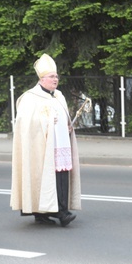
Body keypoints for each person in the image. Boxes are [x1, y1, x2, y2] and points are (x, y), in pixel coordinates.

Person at [11, 53, 80, 227]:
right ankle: (48, 212)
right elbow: (24, 122)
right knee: (42, 177)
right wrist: (47, 122)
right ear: (42, 79)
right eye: (51, 77)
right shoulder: (30, 98)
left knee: (61, 177)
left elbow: (63, 117)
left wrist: (68, 126)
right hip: (40, 147)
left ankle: (60, 209)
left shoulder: (59, 96)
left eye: (56, 76)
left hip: (60, 144)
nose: (55, 79)